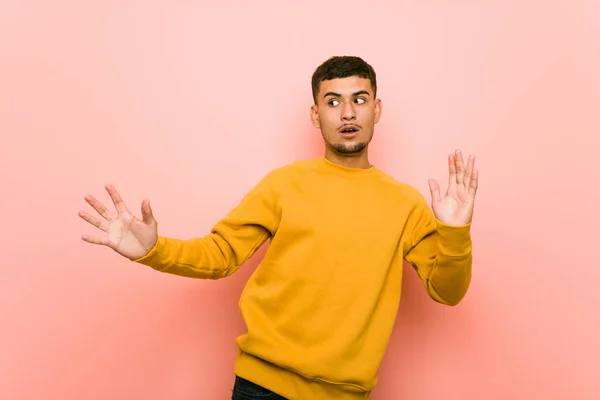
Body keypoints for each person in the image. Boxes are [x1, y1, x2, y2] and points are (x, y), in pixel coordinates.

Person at [78, 56, 479, 400]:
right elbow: (220, 255)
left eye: (359, 99)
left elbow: (447, 291)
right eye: (333, 101)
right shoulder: (283, 184)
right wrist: (154, 249)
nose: (348, 113)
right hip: (261, 388)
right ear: (315, 114)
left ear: (377, 109)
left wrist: (456, 234)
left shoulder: (405, 203)